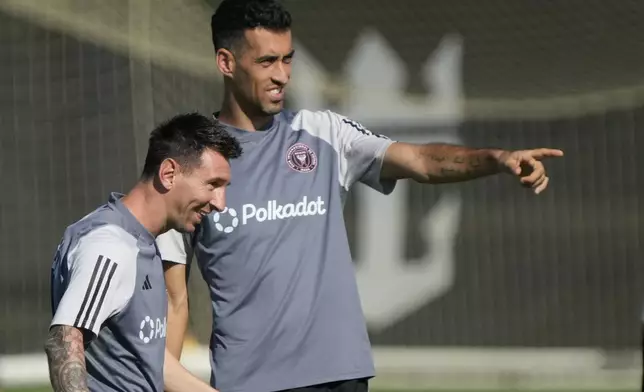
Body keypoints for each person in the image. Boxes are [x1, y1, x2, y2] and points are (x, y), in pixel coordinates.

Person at [156, 1, 565, 392]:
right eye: (266, 62)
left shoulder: (325, 133)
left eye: (288, 59)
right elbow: (176, 300)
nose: (282, 75)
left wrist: (497, 158)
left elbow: (422, 160)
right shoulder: (189, 164)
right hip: (248, 382)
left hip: (341, 374)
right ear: (226, 62)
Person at [46, 113, 242, 392]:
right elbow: (64, 341)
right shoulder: (110, 244)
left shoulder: (147, 240)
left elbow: (146, 357)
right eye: (212, 185)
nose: (220, 203)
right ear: (169, 174)